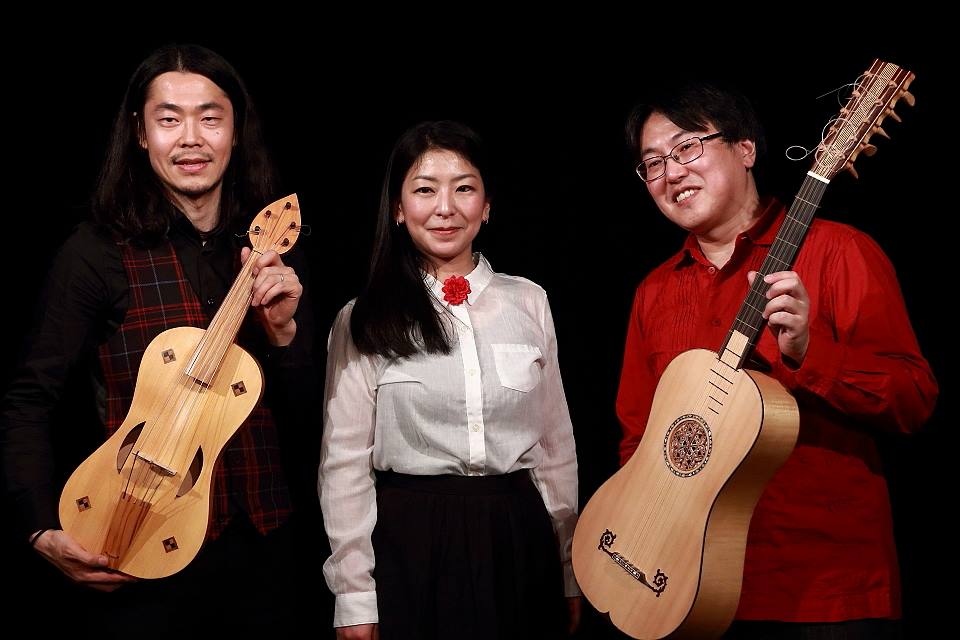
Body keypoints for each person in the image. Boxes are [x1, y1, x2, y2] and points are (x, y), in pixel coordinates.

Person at [1, 43, 316, 636]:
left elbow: (312, 414)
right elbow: (30, 398)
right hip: (137, 548)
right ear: (141, 135)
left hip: (264, 557)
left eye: (210, 118)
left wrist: (284, 336)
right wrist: (38, 525)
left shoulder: (271, 249)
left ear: (237, 132)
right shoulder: (94, 253)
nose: (191, 139)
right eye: (169, 119)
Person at [614, 82, 938, 638]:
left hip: (820, 588)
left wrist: (811, 353)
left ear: (745, 148)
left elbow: (913, 400)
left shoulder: (839, 252)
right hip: (684, 589)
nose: (671, 172)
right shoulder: (654, 291)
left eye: (687, 146)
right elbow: (638, 437)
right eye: (653, 163)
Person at [318, 120, 580, 639]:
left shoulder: (529, 301)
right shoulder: (363, 317)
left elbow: (556, 447)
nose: (446, 208)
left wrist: (570, 568)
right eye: (424, 190)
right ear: (398, 208)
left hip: (517, 536)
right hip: (411, 543)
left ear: (487, 205)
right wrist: (354, 594)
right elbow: (344, 463)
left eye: (464, 188)